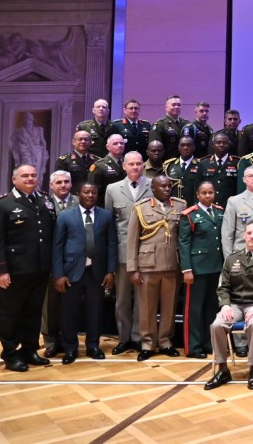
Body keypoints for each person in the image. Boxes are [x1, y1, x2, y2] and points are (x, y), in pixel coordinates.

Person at [204, 220, 253, 390]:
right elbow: (223, 286)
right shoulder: (232, 259)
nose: (252, 236)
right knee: (217, 325)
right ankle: (223, 369)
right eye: (249, 233)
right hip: (235, 305)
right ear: (244, 235)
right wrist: (225, 305)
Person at [0, 165, 54, 372]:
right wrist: (0, 270)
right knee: (10, 314)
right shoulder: (3, 204)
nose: (30, 178)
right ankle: (10, 354)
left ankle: (29, 350)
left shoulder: (44, 200)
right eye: (25, 176)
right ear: (14, 180)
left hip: (39, 268)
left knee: (33, 313)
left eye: (33, 175)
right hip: (14, 270)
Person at [52, 183, 117, 364]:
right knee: (69, 312)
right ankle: (70, 348)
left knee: (95, 311)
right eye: (86, 192)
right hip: (71, 272)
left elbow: (112, 244)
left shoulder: (106, 215)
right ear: (78, 194)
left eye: (93, 192)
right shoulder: (66, 216)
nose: (90, 195)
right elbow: (57, 246)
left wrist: (111, 271)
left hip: (97, 272)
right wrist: (58, 274)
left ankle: (93, 345)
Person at [127, 175, 184, 361]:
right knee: (147, 308)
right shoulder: (141, 207)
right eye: (162, 186)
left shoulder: (180, 206)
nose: (167, 189)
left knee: (169, 307)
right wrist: (132, 269)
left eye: (169, 186)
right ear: (153, 188)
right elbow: (132, 240)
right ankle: (147, 343)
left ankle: (165, 341)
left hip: (171, 265)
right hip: (147, 265)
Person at [103, 151, 151, 355]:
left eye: (139, 163)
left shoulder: (153, 185)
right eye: (131, 164)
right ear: (124, 166)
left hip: (146, 251)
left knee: (142, 299)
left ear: (143, 165)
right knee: (122, 298)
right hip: (122, 252)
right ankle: (123, 338)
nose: (135, 167)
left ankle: (138, 337)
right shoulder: (112, 189)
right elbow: (109, 225)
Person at [178, 181, 224, 359]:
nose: (207, 196)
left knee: (212, 308)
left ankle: (208, 343)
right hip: (197, 269)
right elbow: (184, 244)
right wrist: (186, 270)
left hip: (216, 267)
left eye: (210, 192)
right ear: (197, 194)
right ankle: (193, 347)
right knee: (194, 309)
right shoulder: (189, 215)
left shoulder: (219, 211)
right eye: (204, 193)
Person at [43, 169, 76, 356]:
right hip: (50, 261)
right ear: (51, 185)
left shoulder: (79, 202)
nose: (63, 185)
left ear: (71, 184)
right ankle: (50, 342)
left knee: (70, 304)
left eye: (66, 182)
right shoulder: (43, 204)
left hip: (74, 262)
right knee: (50, 305)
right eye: (59, 182)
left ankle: (68, 340)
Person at [191, 131, 239, 207]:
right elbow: (197, 188)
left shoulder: (237, 163)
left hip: (229, 206)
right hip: (208, 205)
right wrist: (197, 206)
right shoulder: (203, 163)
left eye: (224, 143)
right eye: (218, 142)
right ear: (213, 145)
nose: (221, 145)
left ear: (228, 144)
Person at [87, 134, 127, 203]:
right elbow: (93, 191)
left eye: (121, 143)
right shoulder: (99, 166)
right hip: (105, 204)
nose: (119, 145)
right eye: (115, 143)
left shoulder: (128, 163)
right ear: (108, 147)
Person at [149, 94, 190, 160]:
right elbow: (154, 148)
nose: (176, 107)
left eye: (179, 105)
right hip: (167, 162)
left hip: (185, 161)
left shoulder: (186, 124)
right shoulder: (159, 125)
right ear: (166, 107)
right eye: (173, 105)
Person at [160, 136, 198, 203]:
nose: (185, 148)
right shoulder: (169, 166)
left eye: (188, 145)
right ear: (178, 148)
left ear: (194, 147)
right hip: (173, 205)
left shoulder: (200, 165)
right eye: (182, 145)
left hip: (193, 205)